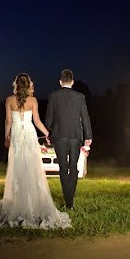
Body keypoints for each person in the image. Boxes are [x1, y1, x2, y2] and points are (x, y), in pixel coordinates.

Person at [0, 73, 71, 229]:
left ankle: (20, 203)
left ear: (17, 85)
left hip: (17, 136)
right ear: (28, 85)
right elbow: (36, 121)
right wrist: (47, 133)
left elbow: (8, 122)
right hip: (29, 134)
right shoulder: (32, 100)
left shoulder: (9, 100)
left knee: (18, 169)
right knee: (31, 168)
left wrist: (6, 137)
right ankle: (29, 203)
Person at [45, 68, 93, 210]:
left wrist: (47, 133)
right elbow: (85, 118)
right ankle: (69, 201)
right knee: (73, 168)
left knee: (63, 168)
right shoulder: (80, 97)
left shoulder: (53, 96)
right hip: (75, 136)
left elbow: (49, 118)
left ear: (60, 82)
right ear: (72, 82)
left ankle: (68, 200)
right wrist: (88, 136)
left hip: (59, 136)